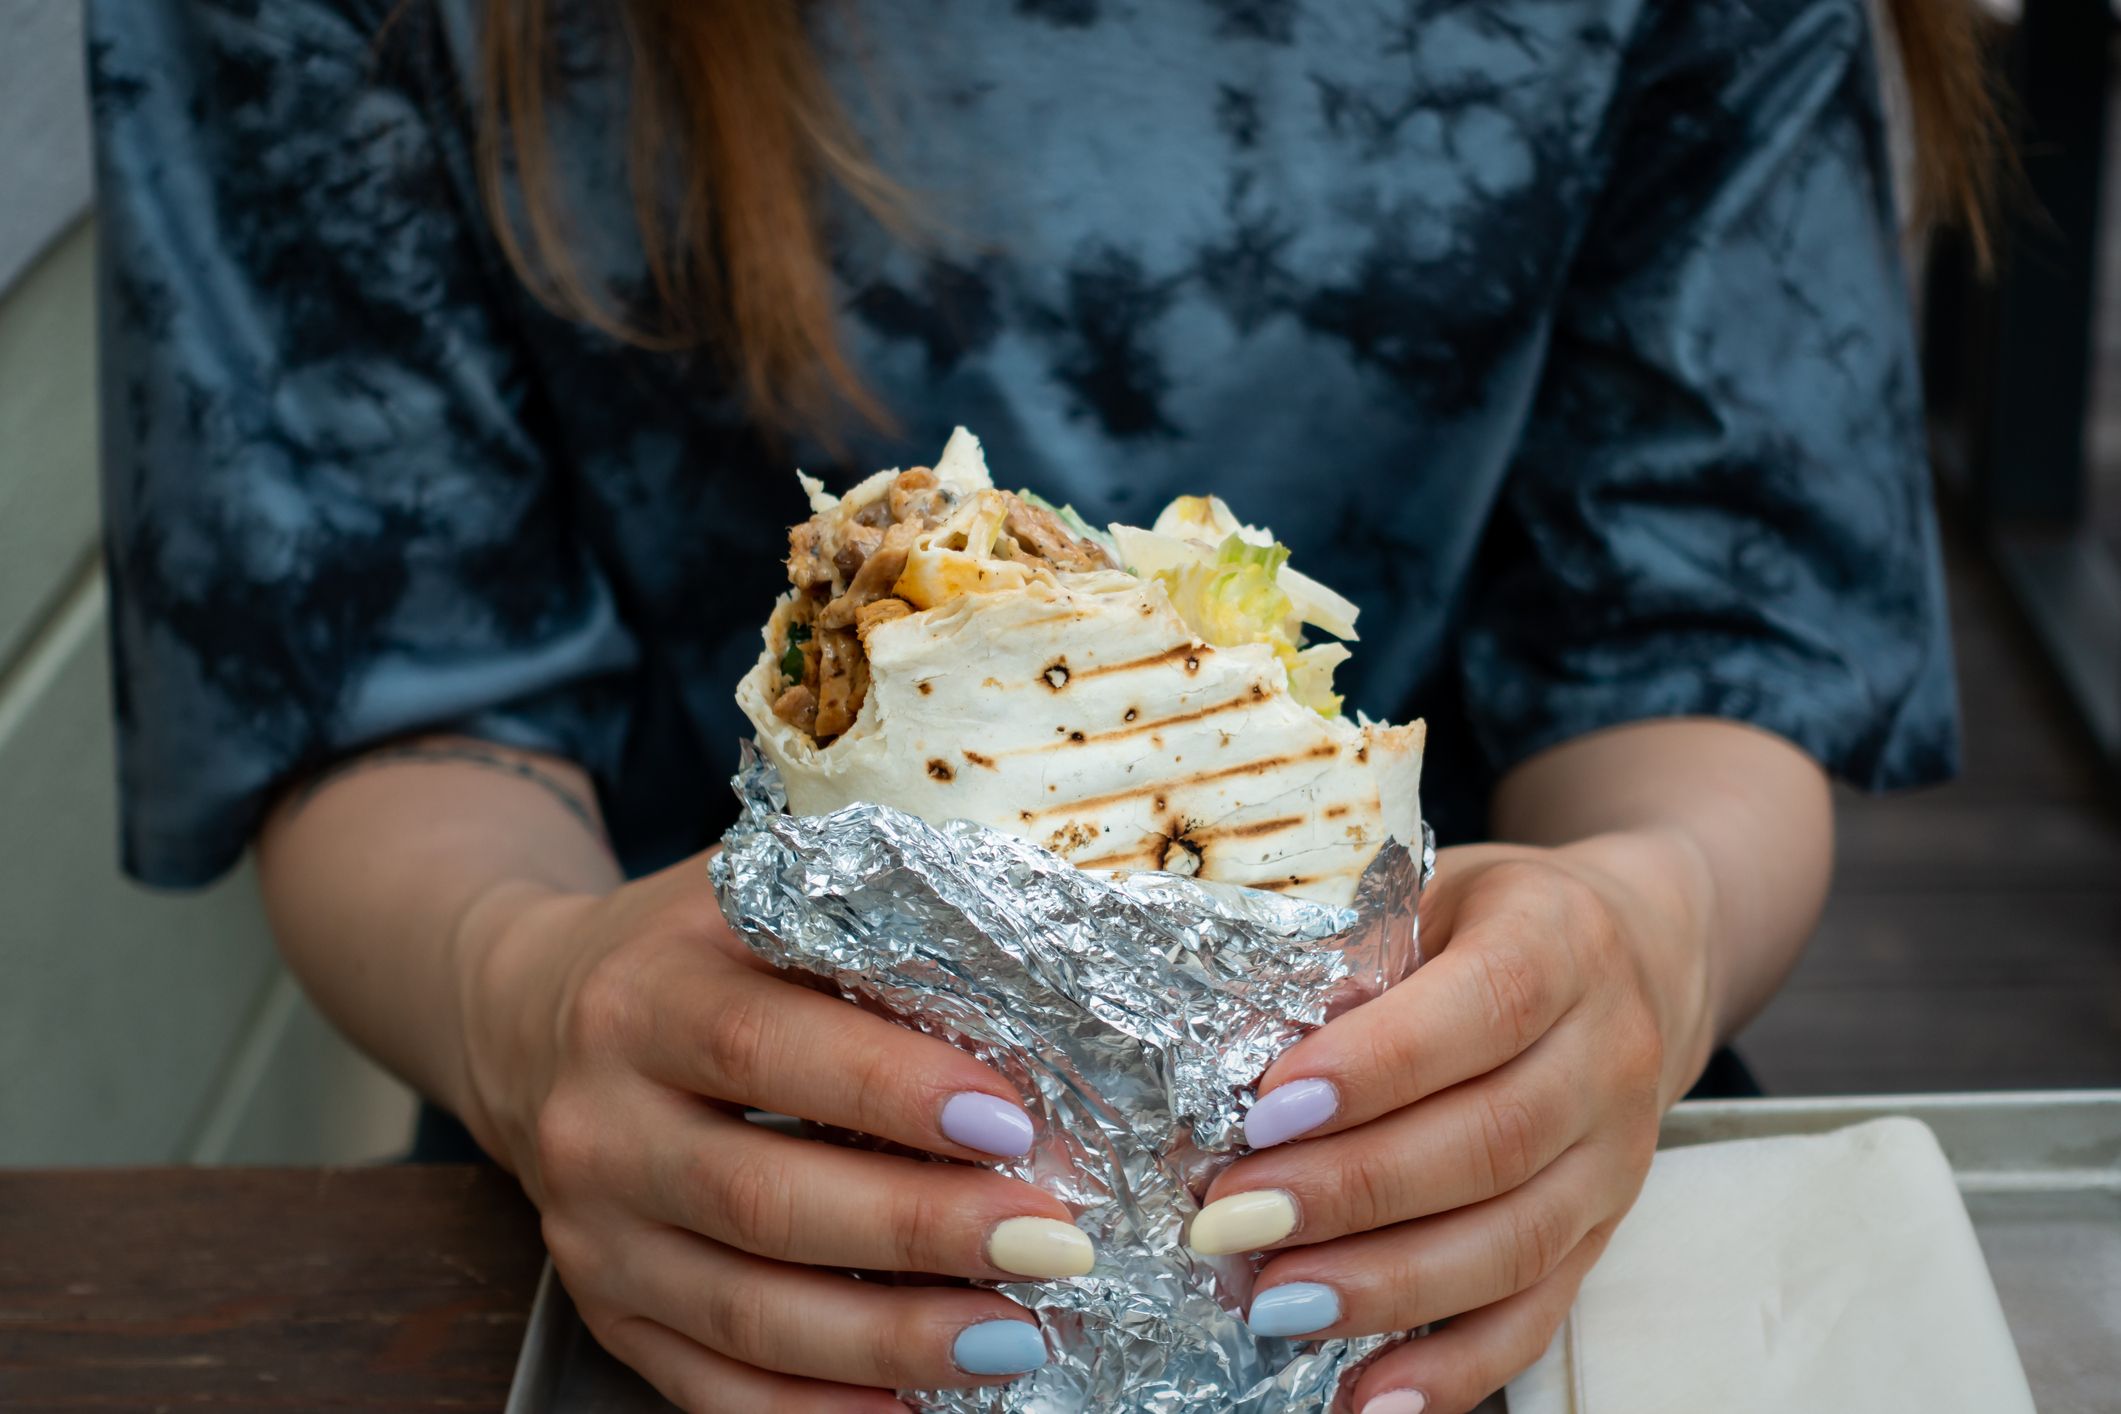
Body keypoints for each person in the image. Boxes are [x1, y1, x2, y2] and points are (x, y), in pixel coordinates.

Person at [87, 1, 1993, 1409]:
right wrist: (519, 1001)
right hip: (675, 1208)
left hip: (1477, 1207)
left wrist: (1640, 945)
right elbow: (386, 687)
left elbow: (1701, 652)